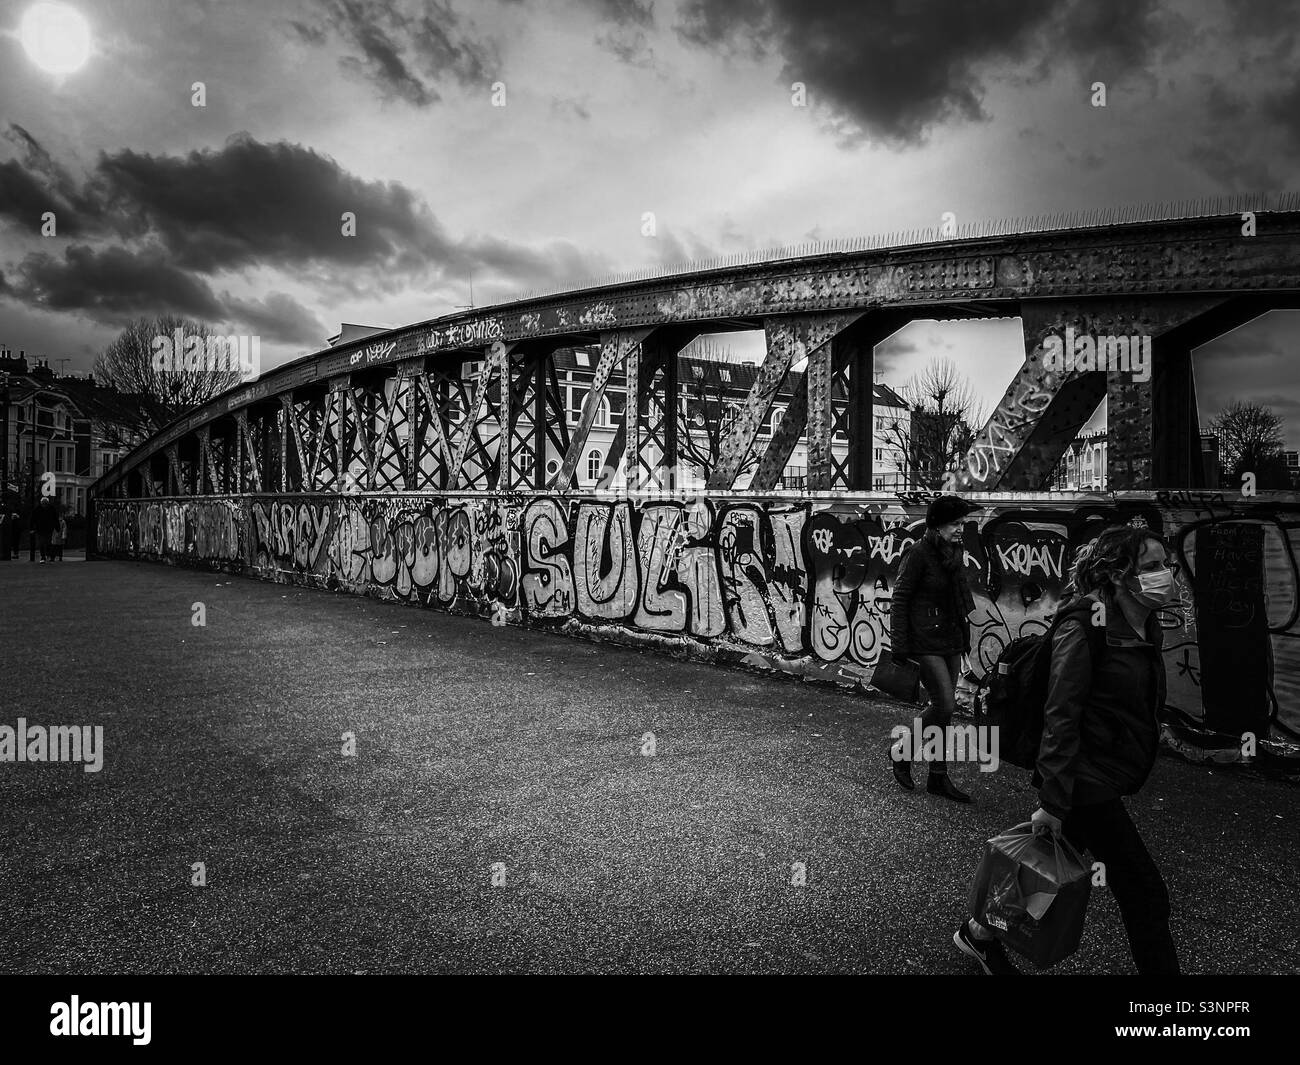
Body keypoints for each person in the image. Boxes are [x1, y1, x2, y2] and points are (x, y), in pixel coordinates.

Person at [954, 524, 1181, 975]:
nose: (1165, 575)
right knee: (1144, 892)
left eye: (1166, 565)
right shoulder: (1085, 627)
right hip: (1084, 779)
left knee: (1045, 864)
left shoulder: (1143, 623)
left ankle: (977, 933)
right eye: (1152, 566)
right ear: (1118, 574)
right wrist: (1054, 800)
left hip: (1105, 773)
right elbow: (1061, 715)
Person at [888, 494, 983, 803]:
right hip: (924, 641)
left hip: (951, 639)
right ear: (938, 525)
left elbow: (958, 601)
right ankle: (901, 752)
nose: (961, 529)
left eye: (963, 524)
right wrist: (899, 645)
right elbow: (900, 599)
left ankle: (938, 777)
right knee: (943, 705)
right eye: (956, 524)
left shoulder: (954, 553)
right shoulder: (918, 554)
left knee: (944, 713)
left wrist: (964, 638)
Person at [33, 497, 58, 563]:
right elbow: (33, 519)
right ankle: (44, 556)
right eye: (43, 503)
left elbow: (55, 518)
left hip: (47, 529)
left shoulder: (50, 509)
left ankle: (46, 555)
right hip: (41, 529)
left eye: (45, 503)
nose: (44, 505)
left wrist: (57, 527)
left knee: (47, 543)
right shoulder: (38, 509)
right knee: (42, 543)